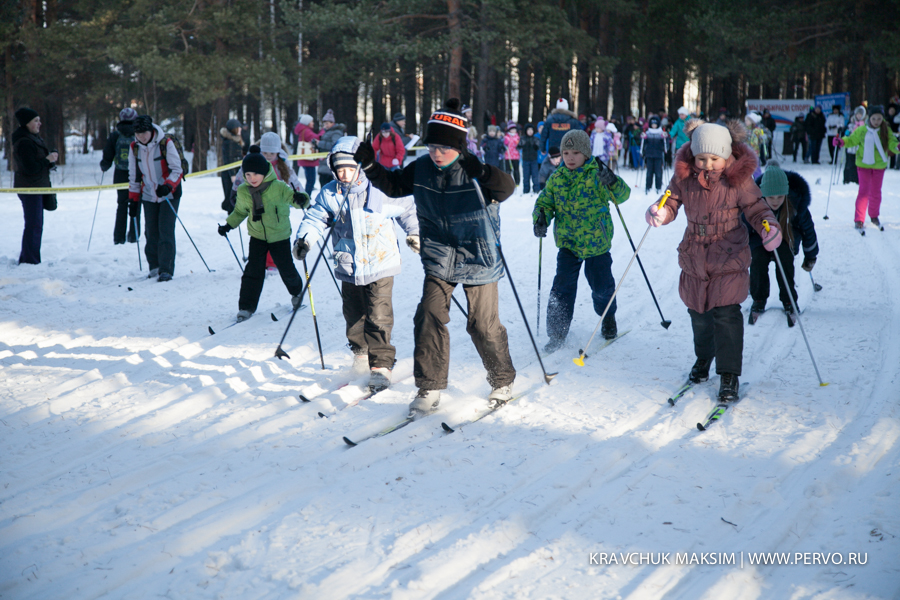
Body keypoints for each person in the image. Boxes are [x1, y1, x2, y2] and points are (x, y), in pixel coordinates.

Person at [352, 98, 517, 414]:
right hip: (440, 253)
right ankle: (428, 387)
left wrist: (481, 171)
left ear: (459, 146)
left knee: (482, 324)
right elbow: (395, 185)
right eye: (432, 146)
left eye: (444, 147)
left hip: (477, 253)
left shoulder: (473, 169)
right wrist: (372, 166)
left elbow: (506, 188)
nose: (436, 152)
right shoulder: (423, 168)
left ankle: (502, 379)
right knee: (427, 315)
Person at [644, 119, 779, 401]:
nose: (707, 164)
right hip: (695, 254)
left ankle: (729, 373)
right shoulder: (684, 178)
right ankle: (704, 357)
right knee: (699, 312)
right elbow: (670, 202)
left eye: (714, 159)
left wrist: (768, 227)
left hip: (728, 253)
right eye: (701, 158)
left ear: (727, 156)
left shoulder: (738, 179)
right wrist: (660, 212)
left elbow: (756, 208)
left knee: (727, 315)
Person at [295, 136, 419, 392]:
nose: (344, 173)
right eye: (339, 168)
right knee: (353, 315)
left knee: (379, 315)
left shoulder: (380, 189)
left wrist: (415, 234)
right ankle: (361, 355)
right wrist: (305, 240)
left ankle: (381, 365)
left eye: (350, 168)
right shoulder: (330, 192)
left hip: (381, 263)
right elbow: (316, 217)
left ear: (361, 166)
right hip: (349, 265)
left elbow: (407, 209)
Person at [533, 129, 631, 354]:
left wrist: (612, 180)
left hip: (597, 244)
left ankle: (607, 317)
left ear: (586, 153)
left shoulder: (598, 173)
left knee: (602, 288)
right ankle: (557, 333)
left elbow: (622, 196)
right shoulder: (557, 178)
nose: (569, 157)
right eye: (566, 152)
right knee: (561, 290)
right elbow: (544, 203)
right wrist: (540, 218)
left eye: (575, 152)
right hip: (568, 244)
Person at [218, 151, 308, 322]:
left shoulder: (279, 187)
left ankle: (297, 293)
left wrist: (300, 199)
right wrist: (228, 225)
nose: (252, 178)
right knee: (253, 271)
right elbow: (240, 211)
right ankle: (246, 307)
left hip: (279, 236)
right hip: (257, 236)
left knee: (286, 268)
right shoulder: (244, 191)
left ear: (265, 172)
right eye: (248, 174)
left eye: (256, 173)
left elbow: (294, 199)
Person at [746, 162, 818, 327]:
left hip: (787, 237)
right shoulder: (753, 205)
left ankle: (789, 300)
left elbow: (808, 230)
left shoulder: (796, 205)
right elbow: (742, 228)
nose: (776, 201)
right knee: (758, 259)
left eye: (780, 196)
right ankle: (758, 298)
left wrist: (810, 255)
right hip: (761, 239)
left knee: (785, 259)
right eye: (771, 197)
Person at [127, 115, 184, 282]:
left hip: (169, 193)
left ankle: (166, 269)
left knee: (165, 230)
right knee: (150, 231)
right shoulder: (134, 147)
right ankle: (154, 266)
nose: (141, 137)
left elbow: (177, 169)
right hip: (148, 194)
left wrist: (167, 185)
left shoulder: (165, 143)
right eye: (138, 134)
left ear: (151, 130)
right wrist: (133, 199)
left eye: (144, 133)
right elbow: (134, 175)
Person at [835, 105, 900, 232]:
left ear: (882, 119)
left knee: (876, 192)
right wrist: (842, 142)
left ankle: (874, 215)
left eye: (879, 119)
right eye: (874, 119)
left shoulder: (885, 130)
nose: (876, 121)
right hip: (863, 165)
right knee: (864, 192)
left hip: (879, 165)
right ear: (869, 118)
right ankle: (859, 218)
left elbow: (892, 143)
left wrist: (897, 146)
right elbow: (852, 140)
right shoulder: (862, 130)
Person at [12, 107, 58, 265]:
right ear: (26, 123)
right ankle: (30, 261)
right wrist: (48, 160)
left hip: (38, 186)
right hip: (29, 188)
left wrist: (49, 161)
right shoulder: (24, 141)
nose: (40, 123)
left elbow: (37, 164)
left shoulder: (33, 138)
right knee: (34, 225)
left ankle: (28, 258)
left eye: (39, 120)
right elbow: (30, 167)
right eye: (36, 121)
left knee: (36, 224)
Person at [100, 107, 140, 244]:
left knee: (121, 206)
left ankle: (119, 238)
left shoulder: (115, 135)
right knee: (136, 205)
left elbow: (108, 154)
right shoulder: (139, 134)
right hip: (137, 175)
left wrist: (105, 165)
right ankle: (134, 236)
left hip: (120, 175)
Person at [218, 118, 246, 212]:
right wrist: (233, 174)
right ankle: (230, 212)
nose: (240, 130)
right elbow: (229, 160)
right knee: (230, 193)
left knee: (235, 193)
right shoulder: (229, 142)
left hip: (235, 172)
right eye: (239, 128)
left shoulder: (234, 140)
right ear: (234, 129)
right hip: (230, 174)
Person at [293, 114, 322, 196]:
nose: (313, 123)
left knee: (310, 179)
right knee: (311, 180)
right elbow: (316, 139)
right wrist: (323, 132)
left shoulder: (303, 130)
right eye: (311, 121)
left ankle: (306, 196)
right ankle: (307, 197)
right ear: (307, 122)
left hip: (305, 159)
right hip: (308, 160)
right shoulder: (307, 131)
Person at [316, 110, 346, 187]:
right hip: (324, 164)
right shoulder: (327, 132)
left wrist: (320, 143)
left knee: (328, 187)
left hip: (330, 166)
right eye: (324, 123)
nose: (325, 125)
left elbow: (334, 145)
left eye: (327, 123)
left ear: (332, 123)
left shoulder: (336, 132)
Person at [641, 116, 668, 194]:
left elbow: (665, 145)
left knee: (658, 172)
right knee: (649, 172)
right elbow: (644, 144)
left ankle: (658, 187)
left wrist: (665, 138)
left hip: (658, 155)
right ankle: (648, 186)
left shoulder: (661, 133)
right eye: (652, 124)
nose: (654, 126)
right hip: (649, 155)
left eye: (655, 124)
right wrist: (643, 138)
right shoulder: (648, 133)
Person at [842, 106, 867, 185]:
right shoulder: (851, 123)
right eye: (857, 114)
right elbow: (847, 132)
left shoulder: (865, 125)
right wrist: (845, 133)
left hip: (860, 147)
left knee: (859, 164)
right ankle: (847, 178)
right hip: (851, 147)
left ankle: (857, 179)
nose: (858, 116)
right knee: (849, 162)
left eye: (860, 114)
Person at [519, 123, 541, 194]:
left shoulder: (535, 139)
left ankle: (536, 189)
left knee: (535, 175)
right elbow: (518, 146)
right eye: (528, 130)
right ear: (526, 131)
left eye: (531, 129)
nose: (530, 131)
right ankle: (526, 189)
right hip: (525, 160)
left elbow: (538, 147)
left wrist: (536, 145)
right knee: (526, 176)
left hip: (534, 160)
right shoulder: (523, 139)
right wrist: (521, 143)